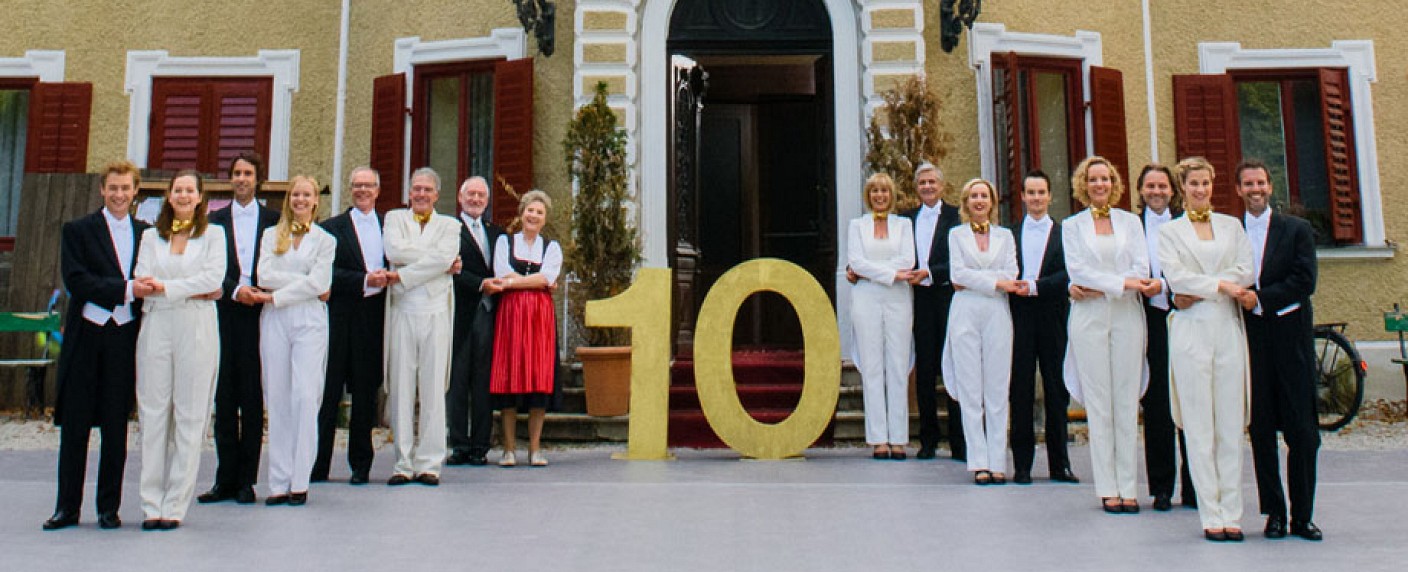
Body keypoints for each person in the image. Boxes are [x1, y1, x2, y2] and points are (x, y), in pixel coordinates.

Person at [44, 161, 151, 531]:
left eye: (126, 188)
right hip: (86, 336)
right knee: (76, 425)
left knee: (115, 425)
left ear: (136, 191)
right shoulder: (78, 231)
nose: (120, 195)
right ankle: (67, 507)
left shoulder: (146, 233)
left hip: (124, 337)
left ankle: (109, 508)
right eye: (113, 188)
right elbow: (77, 280)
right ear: (102, 190)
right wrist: (125, 290)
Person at [1157, 156, 1255, 541]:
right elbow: (1176, 276)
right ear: (1183, 188)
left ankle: (1233, 511)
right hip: (1190, 331)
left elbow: (1246, 268)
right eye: (1193, 184)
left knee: (1229, 423)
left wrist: (1213, 286)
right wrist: (1222, 286)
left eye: (1206, 183)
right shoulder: (1170, 233)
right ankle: (1210, 513)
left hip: (1226, 327)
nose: (1200, 190)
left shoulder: (1232, 227)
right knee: (1198, 424)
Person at [1063, 156, 1160, 513]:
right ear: (1083, 185)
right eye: (1093, 180)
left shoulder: (1131, 222)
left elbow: (1142, 267)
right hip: (1088, 319)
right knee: (1099, 403)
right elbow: (1078, 270)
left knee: (1125, 399)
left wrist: (1107, 284)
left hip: (1126, 317)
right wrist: (1122, 283)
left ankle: (1129, 486)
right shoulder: (1072, 226)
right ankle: (1107, 487)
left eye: (1105, 179)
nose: (1099, 185)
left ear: (1114, 183)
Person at [1235, 159, 1323, 541]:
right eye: (1247, 184)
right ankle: (1274, 513)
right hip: (1250, 342)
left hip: (1291, 343)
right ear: (1238, 190)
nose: (1255, 189)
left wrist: (1259, 299)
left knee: (1303, 433)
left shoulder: (1297, 230)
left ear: (1270, 186)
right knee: (1261, 430)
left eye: (1260, 182)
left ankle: (1303, 516)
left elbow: (1304, 281)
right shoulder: (1230, 232)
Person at [133, 171, 227, 530]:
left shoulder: (213, 235)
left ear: (201, 197)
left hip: (196, 325)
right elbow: (143, 279)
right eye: (178, 190)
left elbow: (213, 280)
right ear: (169, 196)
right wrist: (181, 288)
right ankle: (150, 503)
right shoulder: (149, 237)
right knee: (154, 413)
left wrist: (167, 287)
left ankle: (175, 504)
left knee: (190, 415)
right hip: (157, 323)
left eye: (191, 190)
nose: (184, 195)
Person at [200, 153, 279, 505]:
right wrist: (235, 290)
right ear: (230, 179)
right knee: (225, 395)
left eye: (248, 173)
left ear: (258, 180)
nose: (242, 179)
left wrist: (262, 292)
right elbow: (210, 266)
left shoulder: (274, 220)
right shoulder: (214, 221)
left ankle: (248, 479)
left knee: (251, 397)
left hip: (261, 313)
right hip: (226, 310)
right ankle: (224, 478)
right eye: (236, 173)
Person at [253, 176, 335, 506]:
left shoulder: (325, 240)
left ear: (316, 201)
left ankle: (300, 479)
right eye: (295, 195)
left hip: (309, 319)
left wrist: (279, 294)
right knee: (277, 394)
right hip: (275, 319)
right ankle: (278, 480)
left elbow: (321, 283)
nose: (300, 200)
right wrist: (301, 282)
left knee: (304, 395)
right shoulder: (271, 235)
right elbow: (263, 275)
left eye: (307, 195)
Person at [941, 178, 1024, 484]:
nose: (979, 201)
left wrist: (994, 282)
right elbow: (957, 276)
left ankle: (998, 459)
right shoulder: (956, 235)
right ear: (966, 202)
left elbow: (1012, 273)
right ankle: (978, 461)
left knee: (997, 387)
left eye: (983, 196)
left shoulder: (1005, 236)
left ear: (991, 202)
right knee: (970, 388)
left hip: (997, 312)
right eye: (973, 196)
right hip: (965, 310)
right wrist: (995, 282)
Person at [312, 166, 391, 485]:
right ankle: (318, 464)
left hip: (372, 317)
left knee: (364, 393)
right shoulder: (331, 228)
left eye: (368, 185)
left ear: (378, 190)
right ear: (350, 189)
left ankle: (361, 464)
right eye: (357, 185)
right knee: (328, 392)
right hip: (338, 315)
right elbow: (325, 272)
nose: (362, 190)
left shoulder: (389, 227)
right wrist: (363, 279)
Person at [383, 167, 461, 486]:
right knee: (402, 385)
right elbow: (394, 251)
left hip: (435, 308)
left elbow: (445, 256)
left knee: (432, 386)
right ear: (409, 192)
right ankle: (402, 462)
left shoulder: (450, 225)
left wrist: (403, 273)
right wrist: (437, 263)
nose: (421, 194)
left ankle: (429, 462)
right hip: (403, 308)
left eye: (427, 190)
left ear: (437, 195)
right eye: (416, 189)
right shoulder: (393, 219)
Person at [1006, 170, 1078, 485]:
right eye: (1030, 192)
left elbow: (1067, 275)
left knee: (1056, 389)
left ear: (1050, 196)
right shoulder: (1009, 234)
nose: (1036, 198)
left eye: (1041, 192)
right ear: (1022, 196)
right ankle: (1022, 464)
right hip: (1019, 315)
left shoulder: (1065, 234)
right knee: (1020, 389)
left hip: (1053, 315)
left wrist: (1035, 286)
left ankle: (1059, 464)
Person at [1135, 163, 1196, 511]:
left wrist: (1168, 286)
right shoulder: (1131, 226)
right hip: (1148, 321)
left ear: (1173, 191)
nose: (1156, 192)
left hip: (1183, 316)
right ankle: (1161, 485)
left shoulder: (1185, 227)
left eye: (1162, 186)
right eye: (1150, 186)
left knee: (1188, 400)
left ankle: (1193, 485)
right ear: (1141, 191)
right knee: (1156, 402)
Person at [898, 162, 966, 461]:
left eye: (932, 182)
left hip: (947, 297)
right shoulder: (905, 220)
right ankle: (928, 439)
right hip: (918, 300)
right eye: (922, 182)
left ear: (942, 185)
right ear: (917, 187)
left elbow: (960, 261)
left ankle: (959, 440)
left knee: (952, 366)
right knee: (925, 370)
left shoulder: (955, 217)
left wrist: (930, 273)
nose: (927, 187)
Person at [490, 190, 563, 468]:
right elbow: (500, 271)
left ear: (545, 219)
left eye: (539, 213)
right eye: (530, 211)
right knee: (509, 376)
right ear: (522, 214)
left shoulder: (551, 247)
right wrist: (533, 281)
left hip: (539, 318)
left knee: (538, 377)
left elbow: (548, 276)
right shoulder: (504, 242)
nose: (533, 216)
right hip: (510, 315)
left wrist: (512, 282)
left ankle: (535, 448)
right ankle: (509, 449)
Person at [847, 173, 916, 459]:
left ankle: (899, 437)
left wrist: (876, 271)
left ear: (892, 194)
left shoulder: (904, 225)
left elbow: (908, 260)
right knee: (872, 365)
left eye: (884, 191)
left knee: (898, 365)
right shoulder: (856, 226)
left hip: (898, 297)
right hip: (866, 297)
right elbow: (856, 261)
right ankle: (878, 438)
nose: (879, 195)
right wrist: (890, 272)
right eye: (874, 191)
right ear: (868, 195)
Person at [447, 176, 505, 466]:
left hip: (488, 314)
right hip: (459, 312)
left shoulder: (496, 233)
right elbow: (450, 271)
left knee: (483, 381)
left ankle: (481, 445)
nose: (476, 199)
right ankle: (459, 444)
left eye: (481, 195)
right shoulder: (448, 230)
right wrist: (481, 284)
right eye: (471, 194)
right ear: (460, 197)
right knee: (457, 380)